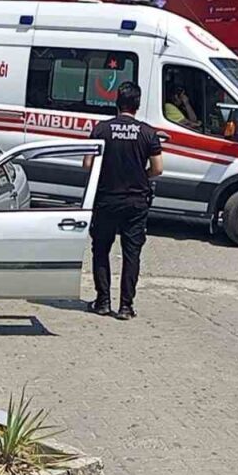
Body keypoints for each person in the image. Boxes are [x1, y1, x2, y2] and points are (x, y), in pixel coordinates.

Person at [82, 82, 164, 320]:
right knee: (131, 253)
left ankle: (103, 301)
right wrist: (141, 174)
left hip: (107, 199)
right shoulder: (148, 133)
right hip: (136, 201)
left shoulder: (101, 130)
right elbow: (158, 169)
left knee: (101, 249)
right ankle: (126, 307)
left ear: (117, 102)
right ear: (137, 105)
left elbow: (87, 164)